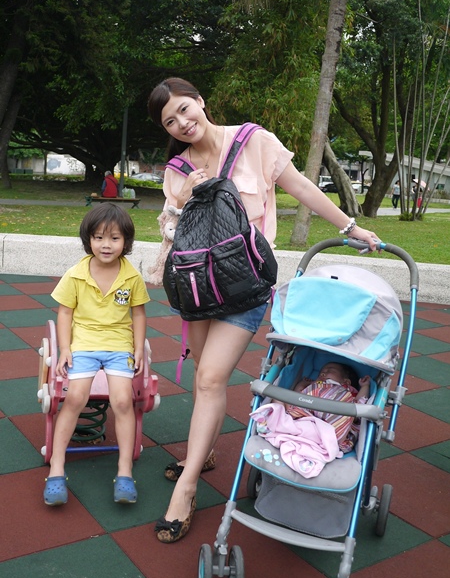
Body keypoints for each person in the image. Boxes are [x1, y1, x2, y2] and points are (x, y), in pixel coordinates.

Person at [147, 76, 381, 543]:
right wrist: (186, 199)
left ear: (200, 102)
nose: (182, 123)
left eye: (185, 109)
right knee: (204, 378)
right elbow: (171, 231)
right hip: (198, 287)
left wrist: (350, 227)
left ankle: (187, 488)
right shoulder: (176, 169)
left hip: (244, 285)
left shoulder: (254, 141)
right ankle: (204, 452)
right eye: (170, 121)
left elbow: (301, 187)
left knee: (211, 379)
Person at [43, 203, 150, 507]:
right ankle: (56, 468)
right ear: (88, 239)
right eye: (99, 237)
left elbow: (138, 314)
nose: (106, 245)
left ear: (125, 242)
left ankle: (125, 471)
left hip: (118, 345)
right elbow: (65, 312)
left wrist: (138, 347)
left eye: (114, 238)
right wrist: (65, 348)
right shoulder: (76, 274)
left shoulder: (131, 276)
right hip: (85, 343)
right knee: (75, 397)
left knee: (122, 400)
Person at [280, 361, 371, 453]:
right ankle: (310, 433)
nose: (322, 373)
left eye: (329, 371)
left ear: (346, 381)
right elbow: (298, 398)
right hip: (307, 416)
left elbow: (359, 403)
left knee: (354, 410)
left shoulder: (347, 392)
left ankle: (327, 437)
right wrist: (302, 384)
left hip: (334, 423)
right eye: (320, 373)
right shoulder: (314, 387)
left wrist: (365, 386)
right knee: (281, 398)